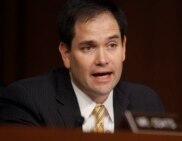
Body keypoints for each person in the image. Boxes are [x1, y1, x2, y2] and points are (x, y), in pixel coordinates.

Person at [0, 0, 165, 133]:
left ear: (124, 48)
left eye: (112, 45)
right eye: (88, 47)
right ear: (66, 53)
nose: (102, 60)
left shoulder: (146, 101)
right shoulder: (28, 101)